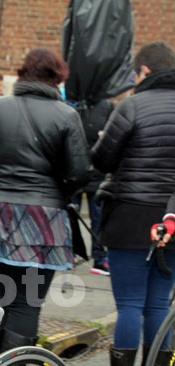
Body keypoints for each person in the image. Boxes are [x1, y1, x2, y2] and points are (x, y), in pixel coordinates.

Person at [0, 47, 90, 366]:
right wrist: (55, 186)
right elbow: (81, 172)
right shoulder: (66, 115)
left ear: (22, 73)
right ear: (57, 77)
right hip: (44, 218)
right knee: (27, 302)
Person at [92, 41, 175, 366]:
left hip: (131, 214)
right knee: (158, 304)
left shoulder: (133, 105)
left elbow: (103, 159)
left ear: (144, 71)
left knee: (129, 304)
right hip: (172, 219)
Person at [69, 98, 114, 275]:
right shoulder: (71, 103)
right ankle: (70, 253)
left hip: (97, 170)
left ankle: (99, 258)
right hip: (75, 169)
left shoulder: (106, 105)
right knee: (71, 215)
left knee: (98, 218)